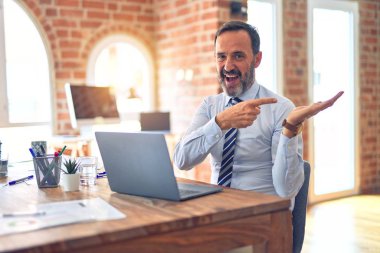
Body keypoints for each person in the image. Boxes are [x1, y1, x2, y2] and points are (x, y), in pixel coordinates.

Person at [173, 21, 343, 208]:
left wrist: (290, 128)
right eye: (221, 57)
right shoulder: (210, 106)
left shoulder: (281, 108)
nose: (228, 66)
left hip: (262, 216)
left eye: (238, 56)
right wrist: (220, 122)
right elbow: (182, 160)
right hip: (218, 212)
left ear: (257, 59)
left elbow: (287, 189)